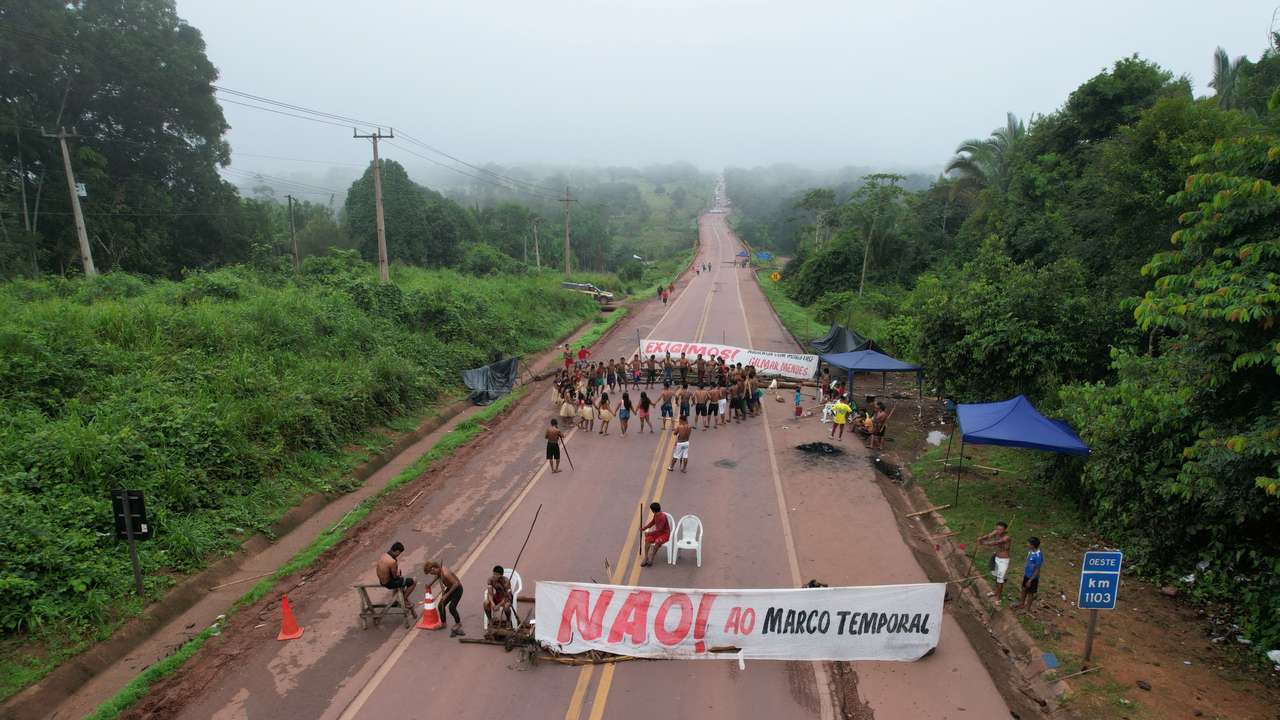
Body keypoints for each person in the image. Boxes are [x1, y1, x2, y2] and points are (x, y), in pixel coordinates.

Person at [423, 560, 465, 636]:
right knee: (440, 605)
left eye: (431, 572)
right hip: (450, 588)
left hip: (457, 589)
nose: (431, 574)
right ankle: (443, 623)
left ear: (433, 569)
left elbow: (456, 584)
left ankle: (458, 623)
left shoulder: (445, 573)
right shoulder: (438, 570)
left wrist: (447, 594)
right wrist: (430, 584)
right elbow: (437, 576)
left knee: (452, 607)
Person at [978, 522, 1012, 605]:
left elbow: (997, 542)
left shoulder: (1007, 538)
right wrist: (981, 538)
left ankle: (998, 598)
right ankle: (995, 592)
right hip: (996, 557)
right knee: (996, 577)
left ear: (1005, 530)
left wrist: (984, 543)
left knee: (1000, 580)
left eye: (1000, 529)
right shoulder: (996, 532)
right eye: (997, 529)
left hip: (1003, 561)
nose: (998, 531)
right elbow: (989, 535)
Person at [640, 502, 670, 567]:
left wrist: (649, 533)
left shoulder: (663, 517)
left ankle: (652, 557)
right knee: (648, 539)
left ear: (653, 511)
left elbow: (660, 529)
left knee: (657, 541)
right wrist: (644, 528)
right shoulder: (656, 515)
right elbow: (652, 522)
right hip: (657, 533)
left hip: (664, 534)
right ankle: (646, 557)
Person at [1019, 538, 1043, 611]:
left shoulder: (1038, 556)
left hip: (1033, 578)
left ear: (1032, 545)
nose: (1027, 545)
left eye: (1028, 543)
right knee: (1024, 589)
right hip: (1027, 575)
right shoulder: (1030, 552)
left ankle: (1027, 608)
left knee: (1030, 593)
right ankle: (1021, 604)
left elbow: (1037, 570)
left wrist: (1030, 580)